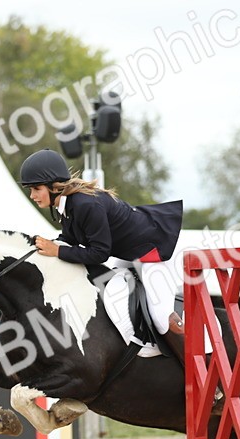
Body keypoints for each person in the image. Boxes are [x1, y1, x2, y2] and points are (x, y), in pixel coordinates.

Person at [19, 148, 184, 356]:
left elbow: (99, 254)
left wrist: (57, 252)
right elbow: (69, 240)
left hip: (155, 249)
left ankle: (199, 372)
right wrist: (43, 248)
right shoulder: (67, 205)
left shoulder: (85, 204)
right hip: (129, 253)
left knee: (161, 317)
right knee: (105, 295)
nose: (32, 196)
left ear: (54, 186)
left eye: (36, 188)